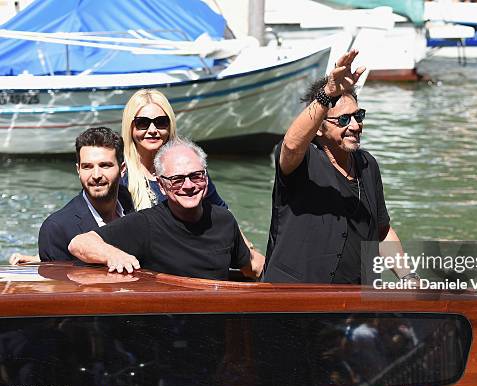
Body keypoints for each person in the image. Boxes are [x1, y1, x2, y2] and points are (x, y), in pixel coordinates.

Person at [263, 50, 414, 284]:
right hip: (294, 300)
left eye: (358, 116)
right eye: (344, 120)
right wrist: (327, 94)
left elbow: (382, 232)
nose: (355, 126)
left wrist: (408, 276)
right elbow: (291, 145)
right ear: (320, 129)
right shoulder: (303, 161)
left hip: (354, 304)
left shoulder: (367, 165)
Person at [121, 89, 264, 274]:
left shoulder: (191, 167)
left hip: (196, 262)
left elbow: (221, 213)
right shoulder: (122, 178)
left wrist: (249, 254)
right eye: (142, 123)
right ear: (130, 128)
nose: (152, 130)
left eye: (160, 122)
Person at [68, 139, 254, 280]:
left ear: (205, 177)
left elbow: (251, 266)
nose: (188, 186)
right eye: (177, 180)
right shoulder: (146, 224)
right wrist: (113, 255)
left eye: (196, 176)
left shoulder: (224, 220)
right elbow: (80, 243)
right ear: (162, 185)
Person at [16, 127, 133, 263]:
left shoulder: (132, 203)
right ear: (78, 170)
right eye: (87, 167)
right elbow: (58, 283)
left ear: (122, 169)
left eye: (105, 165)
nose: (96, 175)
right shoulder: (56, 229)